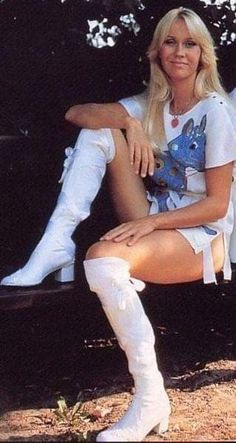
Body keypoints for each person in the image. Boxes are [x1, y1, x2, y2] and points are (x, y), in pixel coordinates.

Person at [1, 7, 236, 442]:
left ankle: (150, 399)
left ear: (203, 55)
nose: (179, 52)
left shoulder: (216, 111)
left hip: (203, 235)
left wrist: (151, 226)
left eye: (189, 44)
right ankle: (55, 245)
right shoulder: (151, 104)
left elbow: (217, 206)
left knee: (104, 262)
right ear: (157, 51)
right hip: (156, 220)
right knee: (99, 130)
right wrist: (127, 121)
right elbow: (76, 113)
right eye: (170, 41)